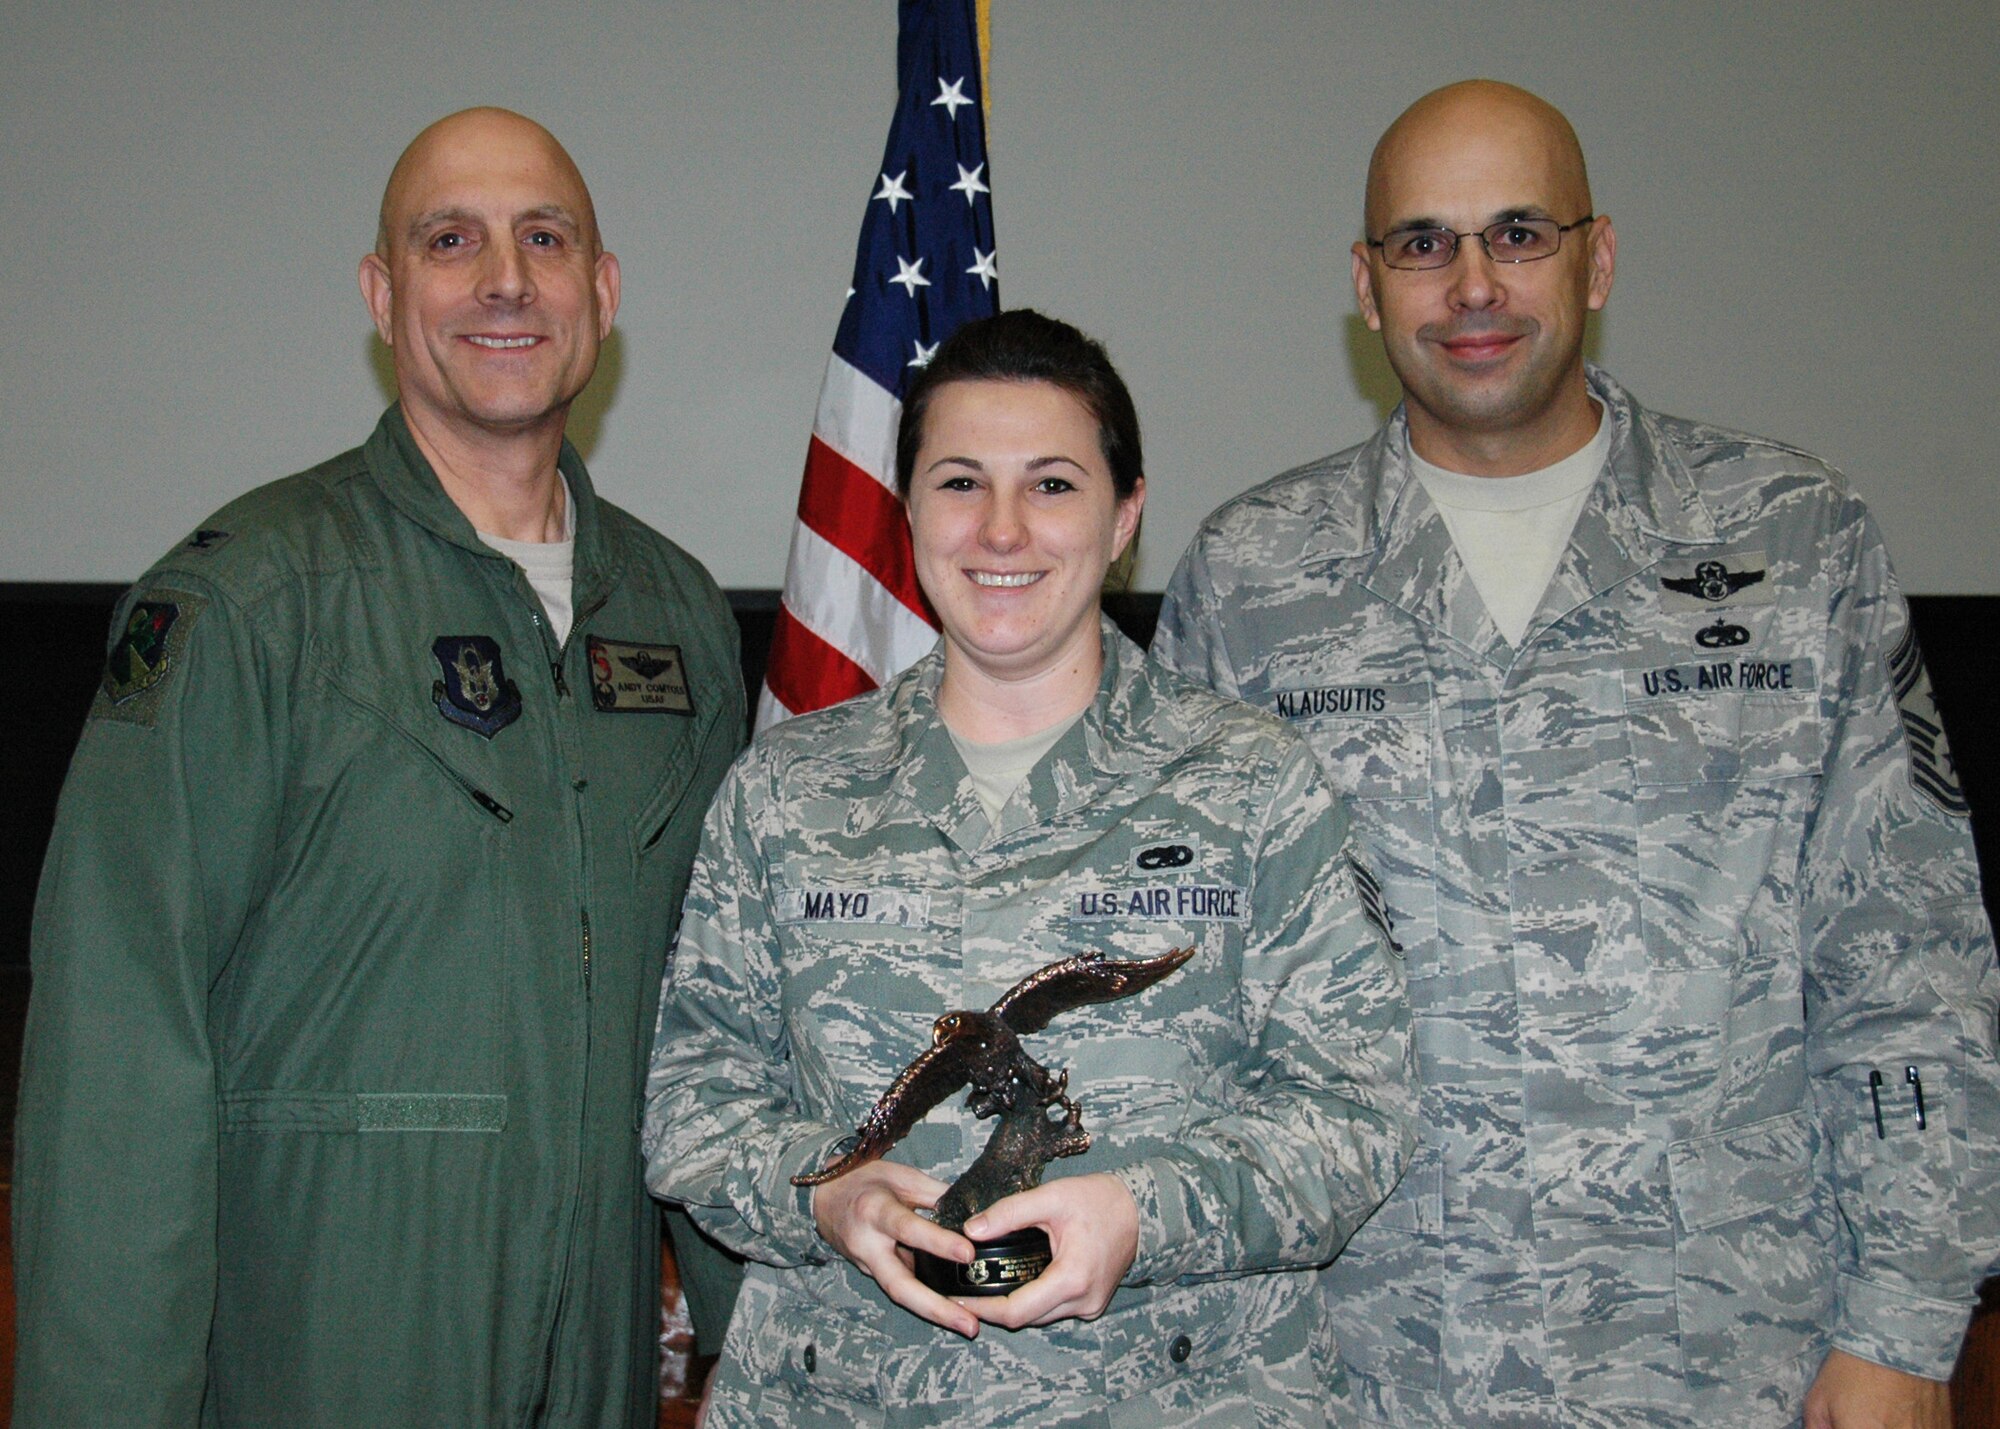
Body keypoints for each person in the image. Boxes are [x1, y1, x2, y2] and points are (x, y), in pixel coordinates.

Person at [1155, 79, 2000, 1429]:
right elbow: (1182, 1001)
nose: (1473, 284)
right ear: (1366, 289)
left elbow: (1907, 967)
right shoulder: (1255, 581)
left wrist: (1902, 1321)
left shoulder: (1793, 543)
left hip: (1731, 1361)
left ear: (1597, 257)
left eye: (1521, 234)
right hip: (1358, 1368)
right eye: (1423, 244)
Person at [11, 108, 745, 1425]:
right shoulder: (253, 605)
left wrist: (786, 1368)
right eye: (450, 240)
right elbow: (116, 1051)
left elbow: (723, 1033)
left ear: (602, 291)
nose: (505, 278)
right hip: (325, 1356)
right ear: (382, 293)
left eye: (545, 238)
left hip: (592, 1369)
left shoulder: (677, 617)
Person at [642, 309, 1416, 1425]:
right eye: (959, 482)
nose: (1001, 530)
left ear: (1124, 515)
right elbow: (691, 1099)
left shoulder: (1254, 783)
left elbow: (1357, 1110)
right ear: (907, 511)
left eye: (1052, 484)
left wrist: (1148, 1215)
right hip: (845, 1396)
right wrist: (825, 1194)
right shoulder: (784, 793)